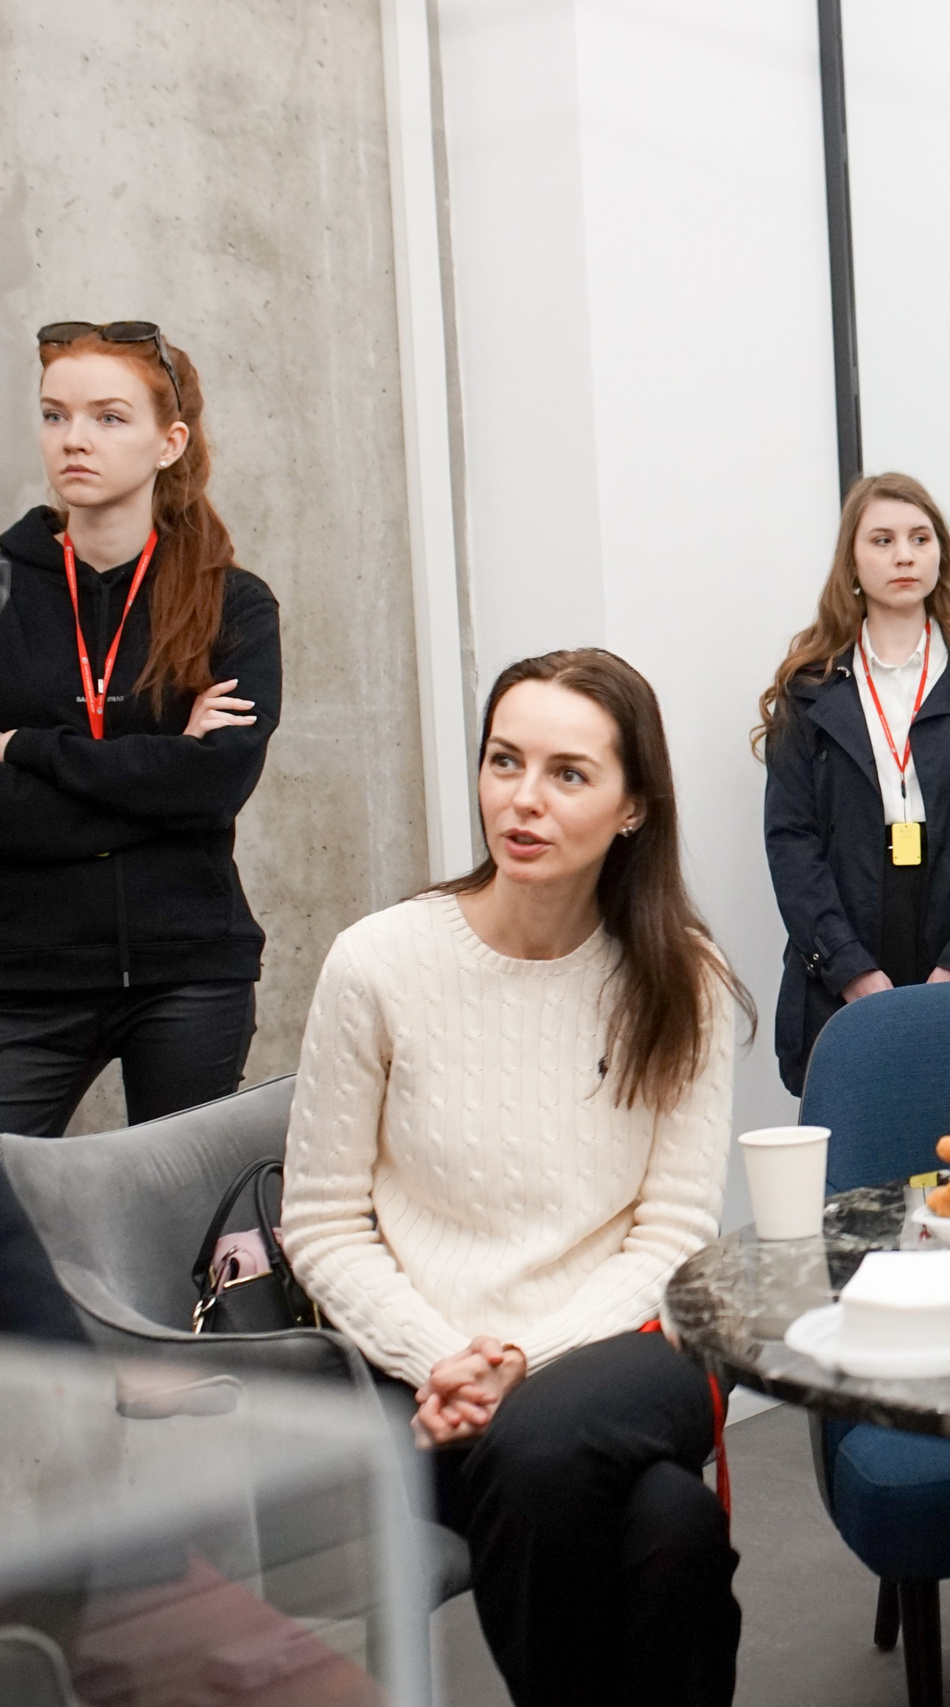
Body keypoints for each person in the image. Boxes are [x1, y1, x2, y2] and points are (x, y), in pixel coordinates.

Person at [280, 649, 750, 1706]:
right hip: (423, 1384)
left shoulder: (686, 981)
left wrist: (519, 1363)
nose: (522, 800)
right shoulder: (378, 963)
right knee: (668, 1528)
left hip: (626, 1356)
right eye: (504, 761)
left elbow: (673, 1233)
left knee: (542, 1443)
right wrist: (448, 1357)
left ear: (634, 808)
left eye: (569, 773)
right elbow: (320, 1226)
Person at [0, 322, 278, 1134]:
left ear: (169, 440)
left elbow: (214, 782)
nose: (73, 440)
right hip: (26, 974)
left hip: (188, 970)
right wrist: (162, 770)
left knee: (189, 1232)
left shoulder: (234, 604)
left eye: (108, 417)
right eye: (55, 416)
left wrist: (31, 748)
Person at [758, 471, 950, 1093]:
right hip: (854, 936)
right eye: (882, 540)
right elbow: (791, 841)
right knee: (865, 1148)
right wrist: (853, 971)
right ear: (852, 562)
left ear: (942, 553)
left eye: (920, 538)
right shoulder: (809, 688)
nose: (905, 555)